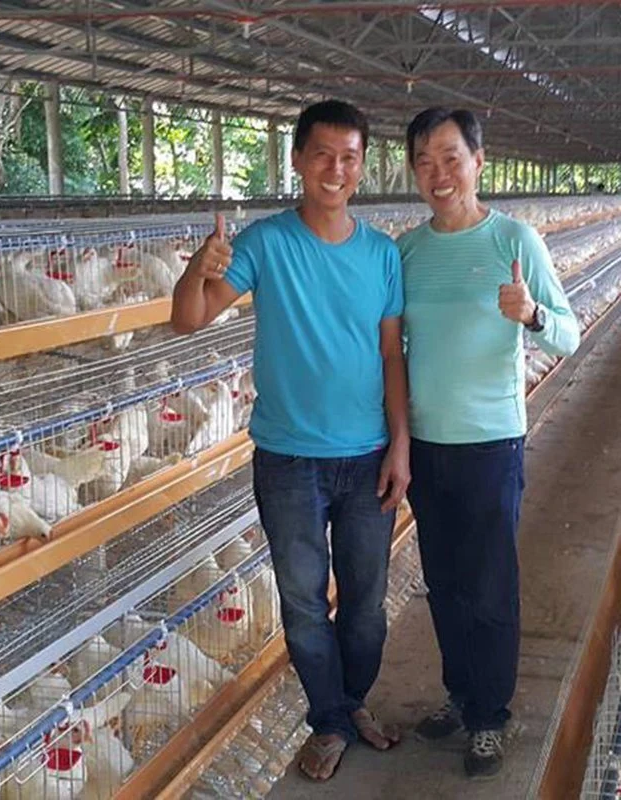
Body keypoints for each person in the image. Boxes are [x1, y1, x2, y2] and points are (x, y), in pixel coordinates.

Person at [171, 99, 410, 782]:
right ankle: (331, 720)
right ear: (299, 160)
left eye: (350, 156)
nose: (337, 169)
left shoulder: (382, 253)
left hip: (366, 455)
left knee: (365, 601)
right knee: (305, 600)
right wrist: (199, 266)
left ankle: (351, 702)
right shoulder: (265, 242)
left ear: (362, 166)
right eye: (324, 154)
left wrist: (401, 445)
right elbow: (188, 319)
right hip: (289, 459)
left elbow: (392, 356)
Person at [398, 107, 580, 780]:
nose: (439, 173)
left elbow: (570, 333)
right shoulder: (409, 252)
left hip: (490, 443)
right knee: (442, 582)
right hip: (425, 443)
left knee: (490, 584)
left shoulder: (514, 239)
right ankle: (459, 692)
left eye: (450, 157)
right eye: (425, 160)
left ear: (478, 160)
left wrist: (531, 314)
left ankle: (490, 717)